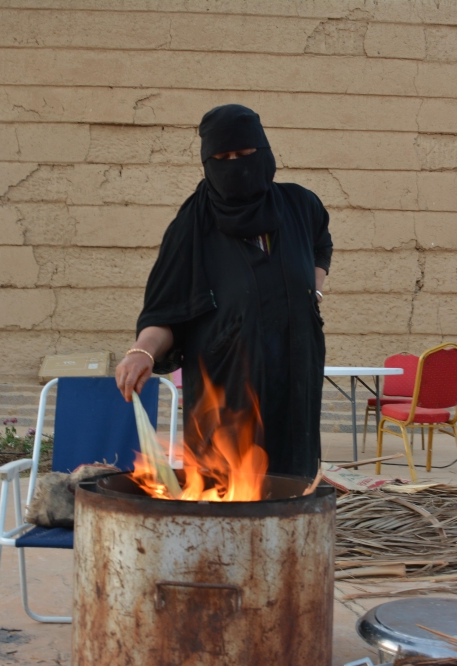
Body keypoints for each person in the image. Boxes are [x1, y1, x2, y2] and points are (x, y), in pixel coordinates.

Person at [114, 104, 333, 479]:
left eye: (245, 155)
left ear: (263, 153)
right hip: (228, 389)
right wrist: (141, 351)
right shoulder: (191, 227)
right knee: (229, 490)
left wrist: (310, 295)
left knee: (292, 484)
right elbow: (165, 313)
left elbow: (320, 245)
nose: (235, 165)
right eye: (222, 157)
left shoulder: (300, 206)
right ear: (207, 162)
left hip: (296, 373)